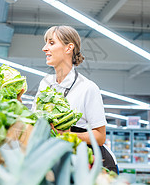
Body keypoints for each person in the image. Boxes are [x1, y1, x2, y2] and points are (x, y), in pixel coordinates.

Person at [32, 25, 118, 174]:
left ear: (68, 48)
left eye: (51, 43)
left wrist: (67, 135)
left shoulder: (87, 88)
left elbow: (100, 137)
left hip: (89, 164)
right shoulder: (45, 83)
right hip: (56, 159)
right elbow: (33, 121)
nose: (44, 48)